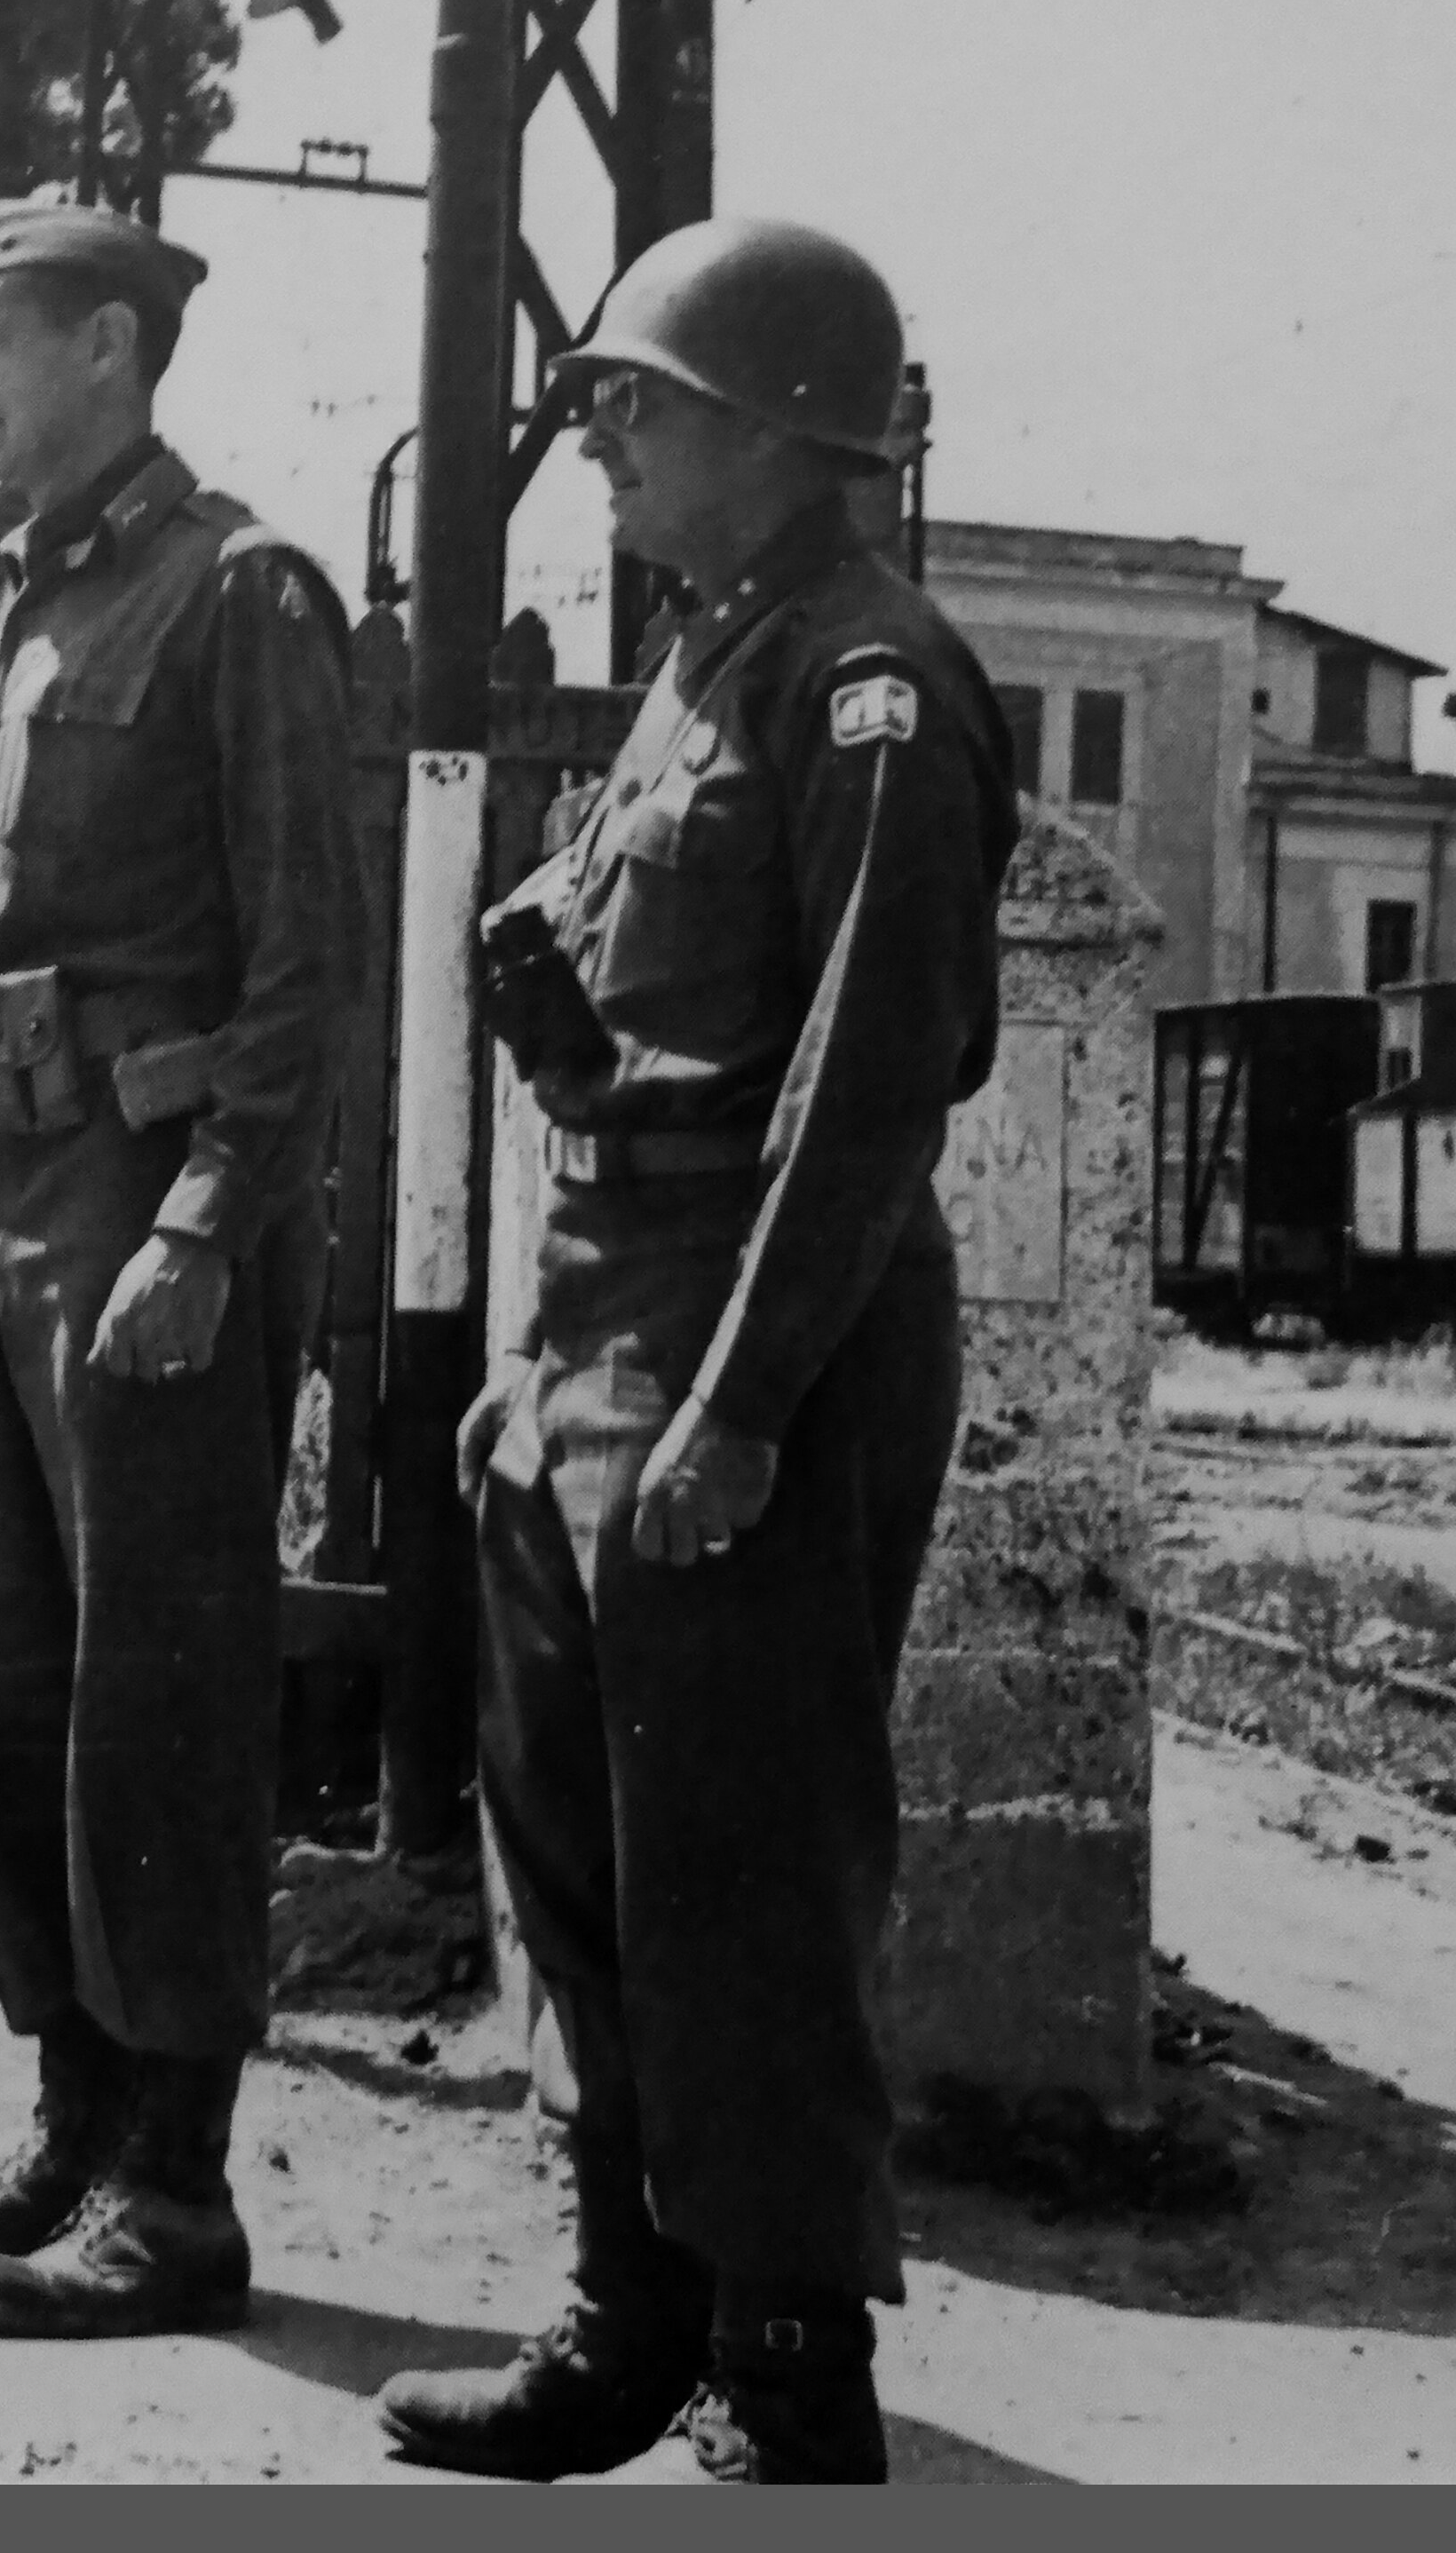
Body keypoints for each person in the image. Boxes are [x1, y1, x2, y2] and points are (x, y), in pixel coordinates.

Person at [376, 217, 1017, 2484]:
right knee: (581, 1847)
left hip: (759, 1327)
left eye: (637, 403)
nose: (602, 438)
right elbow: (629, 1038)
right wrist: (533, 1363)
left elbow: (867, 1078)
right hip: (604, 1323)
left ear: (770, 428)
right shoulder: (700, 665)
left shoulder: (871, 684)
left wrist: (739, 1402)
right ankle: (628, 2306)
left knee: (738, 1856)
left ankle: (783, 2355)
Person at [0, 199, 364, 2338]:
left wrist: (199, 1224)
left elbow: (305, 964)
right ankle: (74, 2121)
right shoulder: (25, 606)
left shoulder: (240, 589)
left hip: (144, 1210)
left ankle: (178, 2193)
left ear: (112, 344)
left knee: (154, 1701)